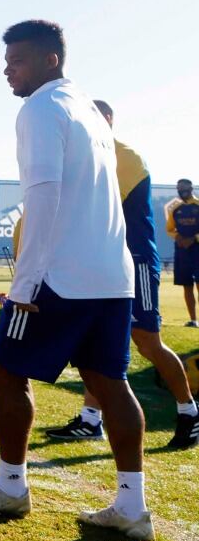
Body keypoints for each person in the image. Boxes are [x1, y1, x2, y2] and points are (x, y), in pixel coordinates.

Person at [0, 20, 151, 541]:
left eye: (16, 60)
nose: (7, 69)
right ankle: (132, 506)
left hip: (60, 276)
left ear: (49, 60)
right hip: (112, 275)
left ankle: (11, 486)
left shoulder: (39, 107)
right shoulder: (85, 107)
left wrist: (24, 283)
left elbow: (43, 196)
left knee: (3, 368)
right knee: (110, 382)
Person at [44, 101, 197, 449]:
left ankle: (190, 411)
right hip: (105, 261)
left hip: (136, 261)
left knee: (147, 341)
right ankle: (90, 419)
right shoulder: (88, 155)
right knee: (93, 342)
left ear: (108, 121)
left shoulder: (124, 158)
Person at [165, 179, 199, 328]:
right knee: (186, 285)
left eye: (184, 188)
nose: (182, 191)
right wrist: (178, 237)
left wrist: (194, 238)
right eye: (179, 189)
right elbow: (169, 229)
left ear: (191, 188)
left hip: (197, 250)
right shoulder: (173, 208)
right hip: (182, 251)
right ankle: (193, 320)